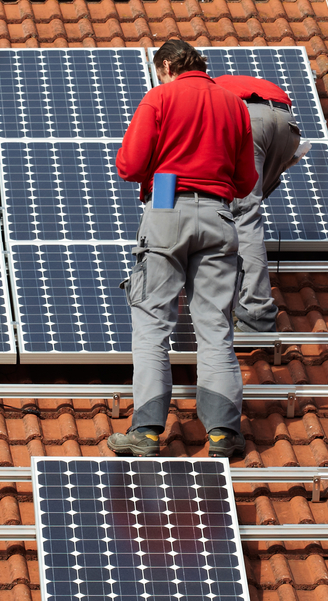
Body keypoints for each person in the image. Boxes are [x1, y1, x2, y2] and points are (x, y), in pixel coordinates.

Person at [108, 40, 258, 458]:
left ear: (169, 65)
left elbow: (130, 165)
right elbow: (246, 181)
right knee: (215, 327)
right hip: (219, 217)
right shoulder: (234, 106)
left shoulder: (160, 97)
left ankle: (147, 431)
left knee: (153, 323)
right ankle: (223, 434)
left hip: (166, 208)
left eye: (161, 71)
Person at [216, 74, 302, 333]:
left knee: (242, 214)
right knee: (244, 205)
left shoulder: (194, 92)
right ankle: (243, 291)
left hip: (249, 121)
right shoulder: (219, 83)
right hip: (287, 124)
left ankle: (257, 314)